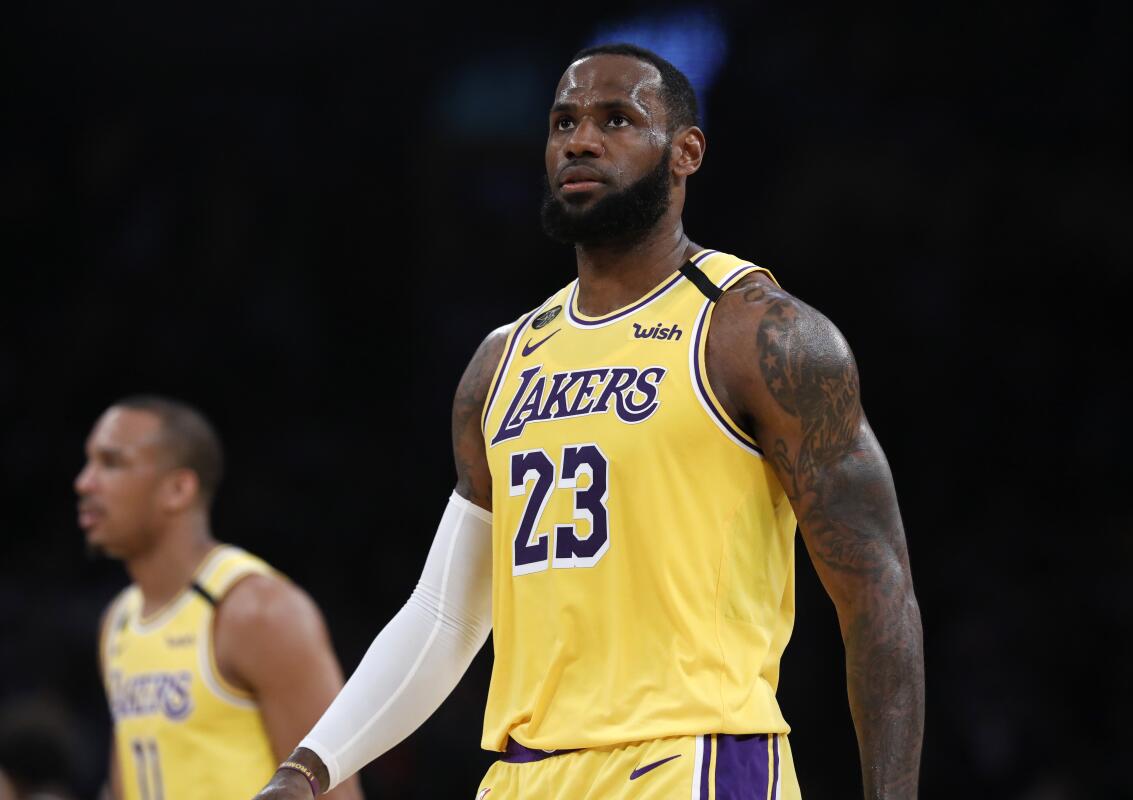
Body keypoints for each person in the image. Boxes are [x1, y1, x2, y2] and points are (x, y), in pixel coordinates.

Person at [255, 42, 925, 799]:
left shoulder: (756, 333)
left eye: (617, 120)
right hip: (525, 774)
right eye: (563, 121)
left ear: (686, 153)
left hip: (694, 760)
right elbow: (445, 615)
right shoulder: (501, 362)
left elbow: (877, 591)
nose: (580, 139)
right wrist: (309, 769)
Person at [76, 396, 362, 800]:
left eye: (111, 463)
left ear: (177, 489)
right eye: (88, 462)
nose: (85, 482)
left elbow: (335, 791)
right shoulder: (118, 622)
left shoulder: (258, 612)